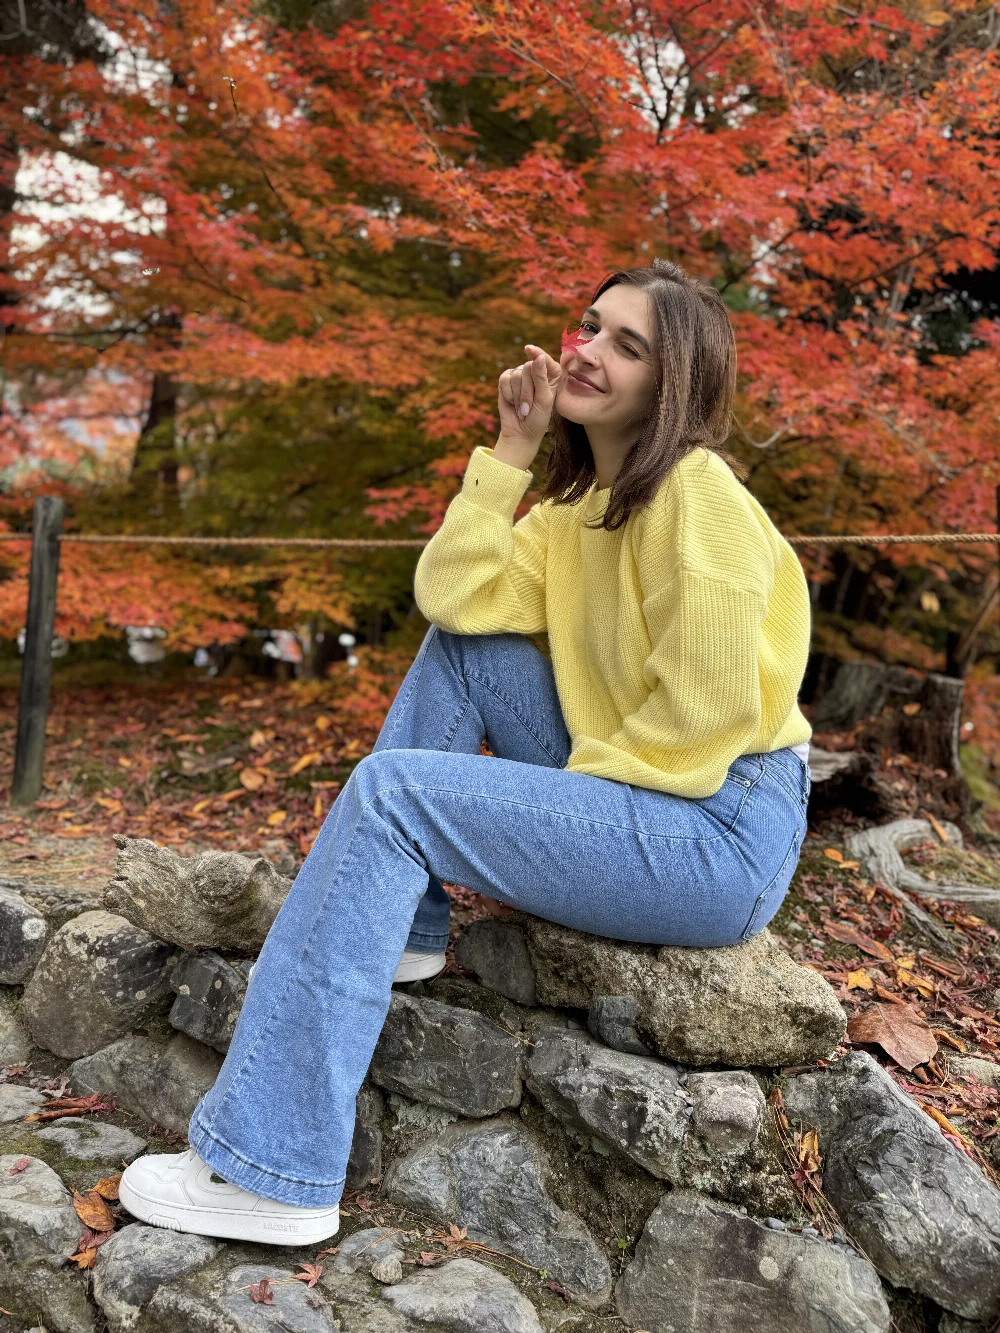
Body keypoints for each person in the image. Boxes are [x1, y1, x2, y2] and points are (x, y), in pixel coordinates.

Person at [118, 258, 813, 1244]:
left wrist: (538, 822)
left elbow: (700, 726)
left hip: (717, 828)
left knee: (394, 796)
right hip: (643, 783)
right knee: (466, 647)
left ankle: (274, 1168)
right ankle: (405, 921)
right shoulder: (580, 513)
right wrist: (511, 448)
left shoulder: (698, 493)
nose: (588, 351)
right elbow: (453, 596)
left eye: (627, 345)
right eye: (589, 326)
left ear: (675, 384)